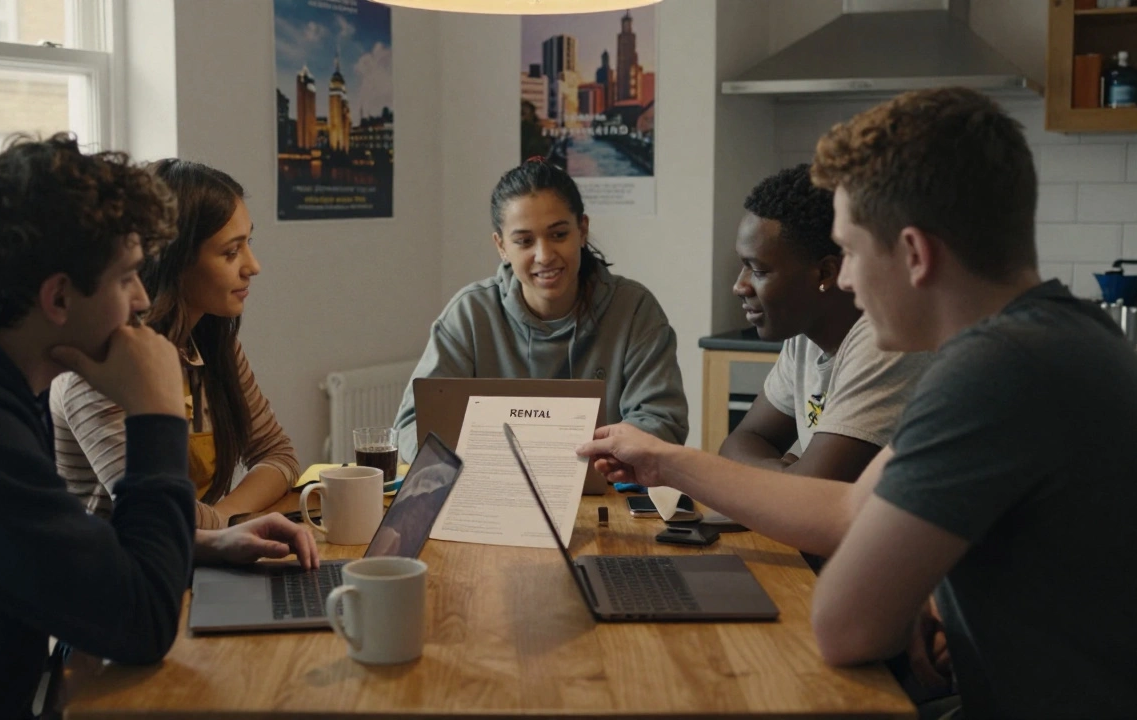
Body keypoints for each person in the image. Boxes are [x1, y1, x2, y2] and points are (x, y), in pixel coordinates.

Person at [578, 88, 1137, 719]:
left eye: (850, 253)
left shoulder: (992, 372)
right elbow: (853, 510)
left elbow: (843, 626)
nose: (843, 280)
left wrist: (903, 597)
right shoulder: (1064, 336)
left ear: (914, 254)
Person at [0, 134, 317, 720]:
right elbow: (145, 623)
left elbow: (59, 547)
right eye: (127, 277)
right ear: (58, 297)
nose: (144, 298)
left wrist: (203, 544)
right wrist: (156, 412)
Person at [52, 159, 299, 531]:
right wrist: (223, 528)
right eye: (230, 252)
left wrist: (219, 522)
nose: (253, 265)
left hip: (192, 559)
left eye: (248, 243)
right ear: (174, 260)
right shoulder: (100, 369)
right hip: (119, 577)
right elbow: (164, 516)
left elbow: (278, 455)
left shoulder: (213, 343)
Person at [393, 158, 688, 461]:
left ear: (582, 230)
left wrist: (575, 456)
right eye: (524, 241)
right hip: (495, 492)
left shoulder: (635, 310)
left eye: (559, 235)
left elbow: (663, 422)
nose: (544, 255)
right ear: (501, 246)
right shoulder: (469, 314)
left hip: (607, 490)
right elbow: (410, 429)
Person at [723, 164, 930, 482]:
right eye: (743, 265)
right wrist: (786, 473)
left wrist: (789, 477)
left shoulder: (883, 341)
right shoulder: (804, 335)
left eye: (759, 270)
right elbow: (738, 445)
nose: (740, 286)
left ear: (825, 273)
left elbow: (813, 492)